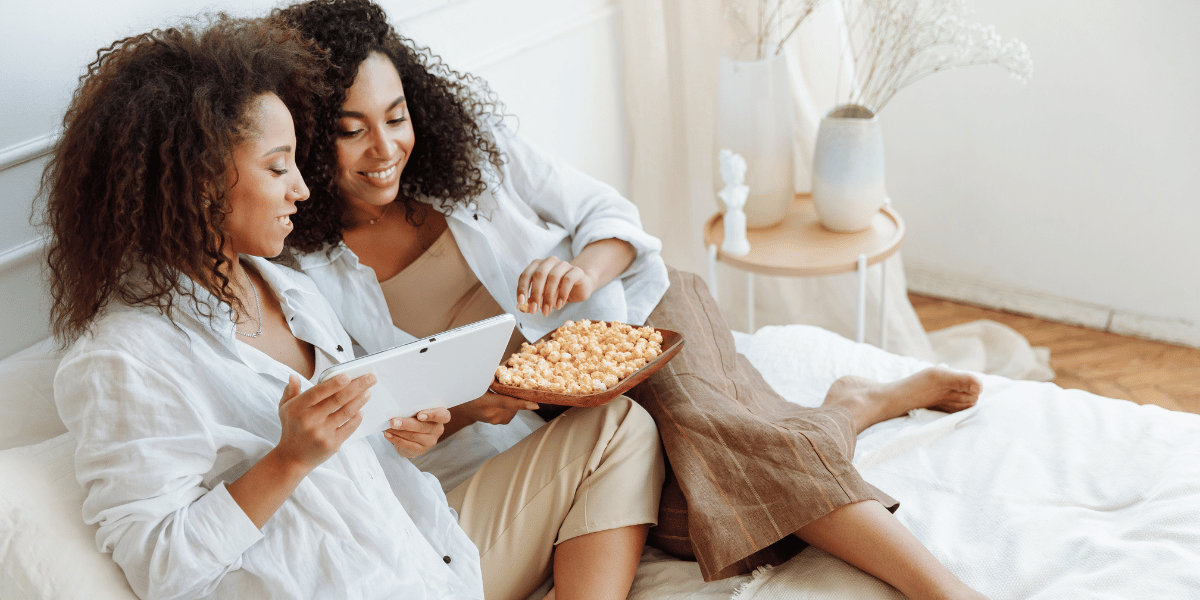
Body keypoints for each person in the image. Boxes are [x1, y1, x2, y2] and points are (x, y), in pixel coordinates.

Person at [276, 1, 988, 598]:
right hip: (561, 413)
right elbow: (406, 410)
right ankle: (848, 407)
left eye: (396, 117)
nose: (384, 147)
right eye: (351, 130)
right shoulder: (308, 272)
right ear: (308, 140)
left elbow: (611, 216)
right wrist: (467, 410)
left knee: (727, 444)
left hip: (637, 316)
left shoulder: (470, 153)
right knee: (697, 522)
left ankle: (950, 592)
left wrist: (583, 273)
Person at [43, 15, 663, 600]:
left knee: (621, 428)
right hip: (344, 579)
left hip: (422, 550)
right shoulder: (124, 357)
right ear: (199, 182)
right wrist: (287, 460)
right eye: (278, 167)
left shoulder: (285, 289)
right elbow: (159, 567)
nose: (303, 188)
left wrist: (418, 426)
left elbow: (365, 452)